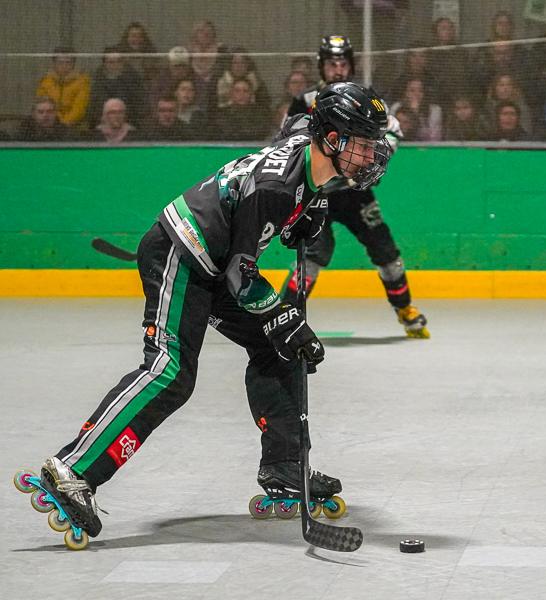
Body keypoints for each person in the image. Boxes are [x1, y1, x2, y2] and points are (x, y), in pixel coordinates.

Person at [17, 81, 392, 550]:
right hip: (183, 253)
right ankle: (72, 471)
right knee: (171, 371)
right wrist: (282, 315)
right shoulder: (275, 187)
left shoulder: (307, 152)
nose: (372, 153)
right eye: (362, 142)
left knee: (281, 349)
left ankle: (283, 467)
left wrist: (309, 209)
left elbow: (294, 127)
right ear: (333, 140)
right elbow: (242, 274)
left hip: (218, 261)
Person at [284, 36, 429, 338]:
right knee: (315, 253)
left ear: (350, 65)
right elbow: (287, 140)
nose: (337, 70)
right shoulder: (306, 99)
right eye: (331, 64)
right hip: (316, 191)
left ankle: (405, 308)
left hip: (354, 191)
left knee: (383, 245)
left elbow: (393, 131)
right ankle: (286, 315)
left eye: (343, 64)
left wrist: (375, 158)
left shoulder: (366, 96)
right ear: (321, 66)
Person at [86, 48, 144, 129]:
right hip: (102, 124)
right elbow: (94, 107)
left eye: (118, 61)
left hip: (129, 124)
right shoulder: (97, 82)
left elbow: (139, 106)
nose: (115, 65)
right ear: (104, 64)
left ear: (123, 62)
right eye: (111, 62)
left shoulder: (133, 80)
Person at [35, 46, 91, 131]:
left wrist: (62, 125)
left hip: (75, 128)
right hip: (48, 126)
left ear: (73, 64)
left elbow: (78, 109)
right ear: (54, 64)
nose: (64, 66)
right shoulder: (46, 83)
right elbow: (41, 105)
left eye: (68, 63)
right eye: (60, 63)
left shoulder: (82, 82)